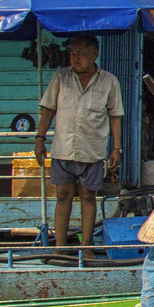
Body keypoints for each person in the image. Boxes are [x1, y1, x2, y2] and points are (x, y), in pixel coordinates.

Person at [32, 34, 123, 249]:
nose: (75, 59)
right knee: (62, 195)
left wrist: (116, 149)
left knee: (87, 196)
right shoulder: (60, 77)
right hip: (63, 148)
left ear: (95, 54)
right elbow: (47, 109)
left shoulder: (109, 81)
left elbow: (115, 115)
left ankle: (86, 246)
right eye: (72, 54)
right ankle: (60, 248)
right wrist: (39, 138)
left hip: (92, 150)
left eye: (80, 54)